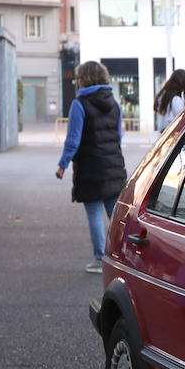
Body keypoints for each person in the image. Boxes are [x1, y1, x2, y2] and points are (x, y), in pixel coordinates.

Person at [56, 60, 127, 274]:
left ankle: (99, 259)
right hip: (114, 165)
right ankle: (123, 256)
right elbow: (119, 134)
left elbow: (73, 140)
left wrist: (62, 165)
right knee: (115, 215)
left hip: (90, 168)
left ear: (84, 79)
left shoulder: (80, 104)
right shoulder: (114, 103)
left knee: (95, 213)